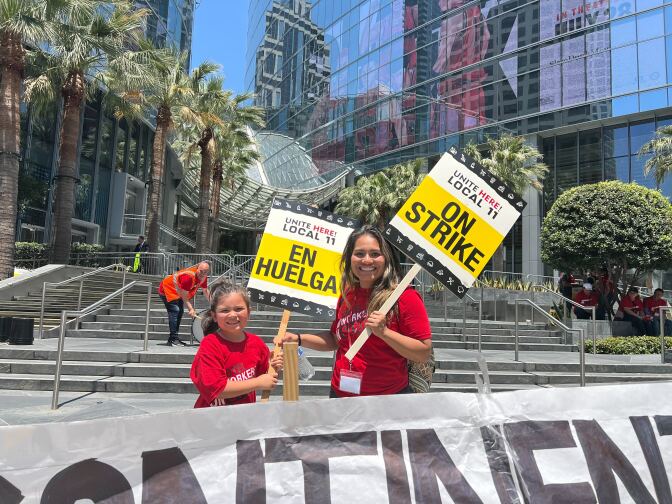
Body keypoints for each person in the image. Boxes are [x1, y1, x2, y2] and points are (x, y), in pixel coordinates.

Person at [282, 225, 432, 397]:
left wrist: (384, 332)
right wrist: (300, 339)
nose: (367, 260)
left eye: (375, 254)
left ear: (386, 258)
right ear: (350, 258)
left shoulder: (404, 297)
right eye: (359, 253)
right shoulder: (347, 295)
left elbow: (423, 353)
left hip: (384, 401)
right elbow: (336, 339)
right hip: (340, 395)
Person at [190, 282, 283, 407]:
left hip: (244, 418)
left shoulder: (257, 344)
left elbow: (265, 377)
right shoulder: (210, 345)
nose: (233, 315)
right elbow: (217, 389)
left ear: (249, 312)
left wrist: (273, 366)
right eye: (224, 310)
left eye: (239, 309)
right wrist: (258, 383)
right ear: (214, 316)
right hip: (213, 420)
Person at [158, 261, 210, 346]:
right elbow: (184, 295)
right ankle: (173, 339)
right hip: (167, 288)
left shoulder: (203, 277)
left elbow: (205, 291)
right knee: (175, 311)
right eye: (201, 271)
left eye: (205, 272)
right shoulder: (189, 276)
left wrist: (214, 304)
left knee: (179, 312)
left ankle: (174, 339)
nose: (203, 274)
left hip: (178, 291)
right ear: (197, 269)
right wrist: (191, 309)